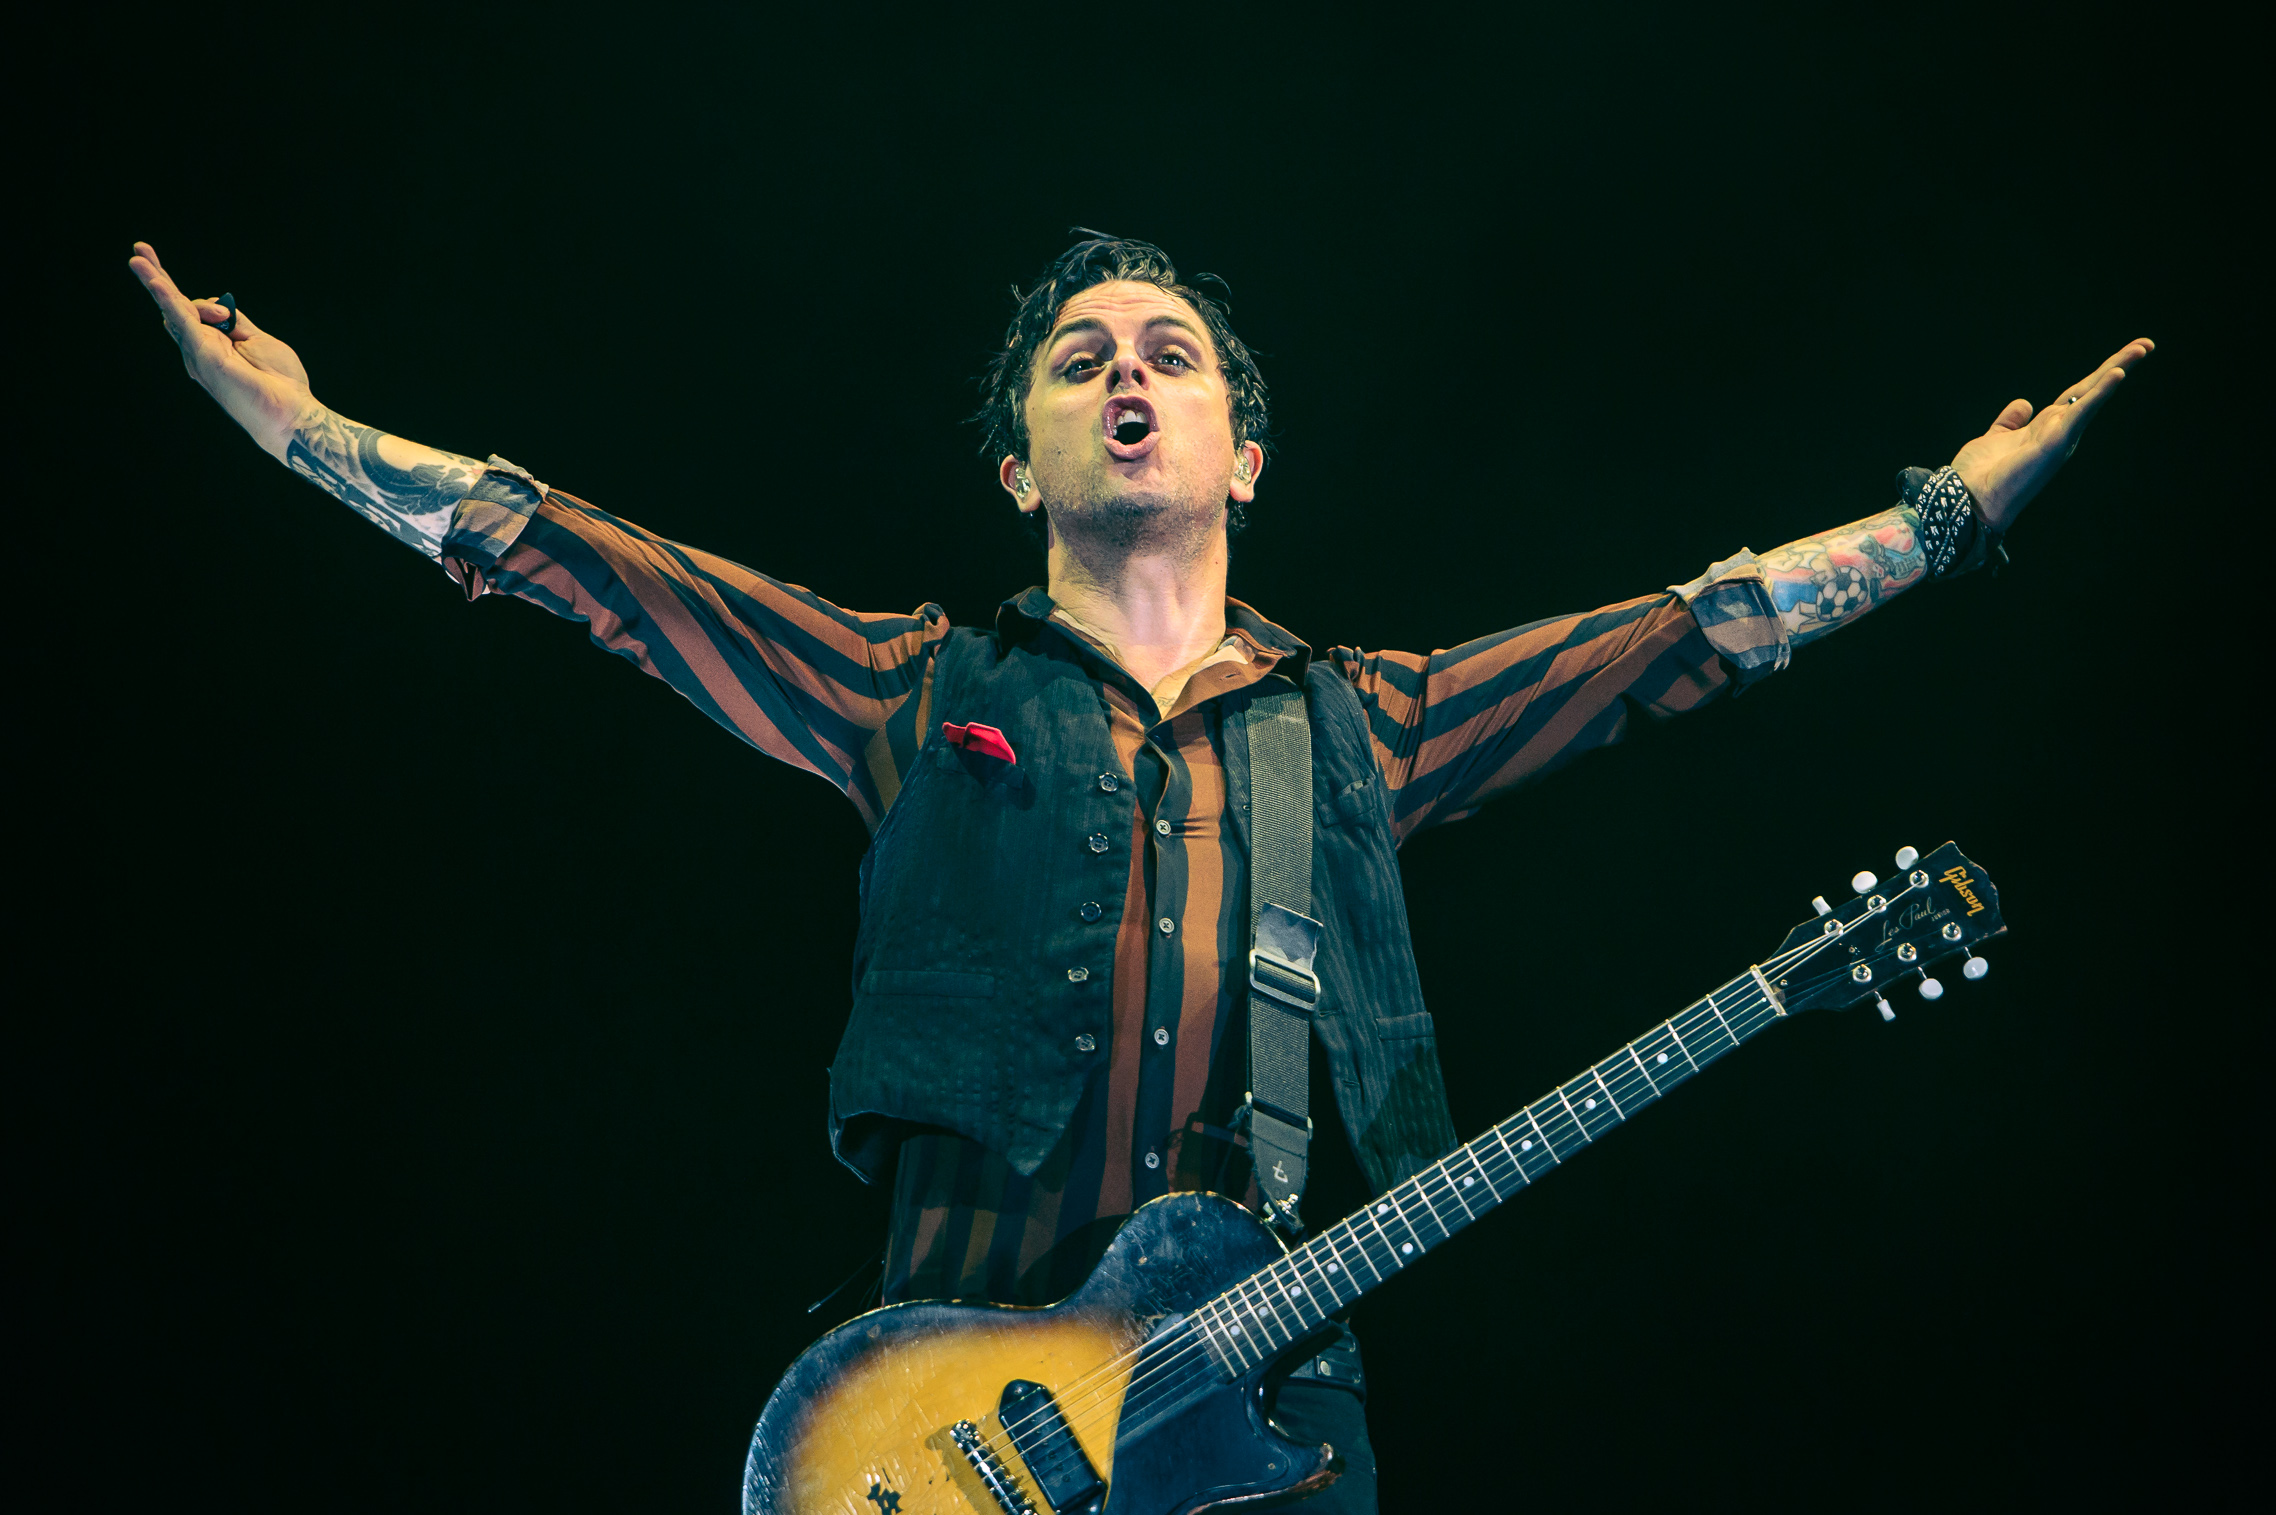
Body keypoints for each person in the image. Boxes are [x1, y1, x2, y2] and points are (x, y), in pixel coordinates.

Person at [129, 232, 2150, 1511]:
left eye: (1170, 352)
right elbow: (598, 570)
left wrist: (1946, 519)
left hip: (1258, 1410)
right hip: (949, 1409)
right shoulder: (918, 689)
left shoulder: (1356, 721)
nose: (1127, 370)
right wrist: (305, 431)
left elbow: (1682, 637)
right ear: (1020, 461)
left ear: (1240, 452)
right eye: (1081, 352)